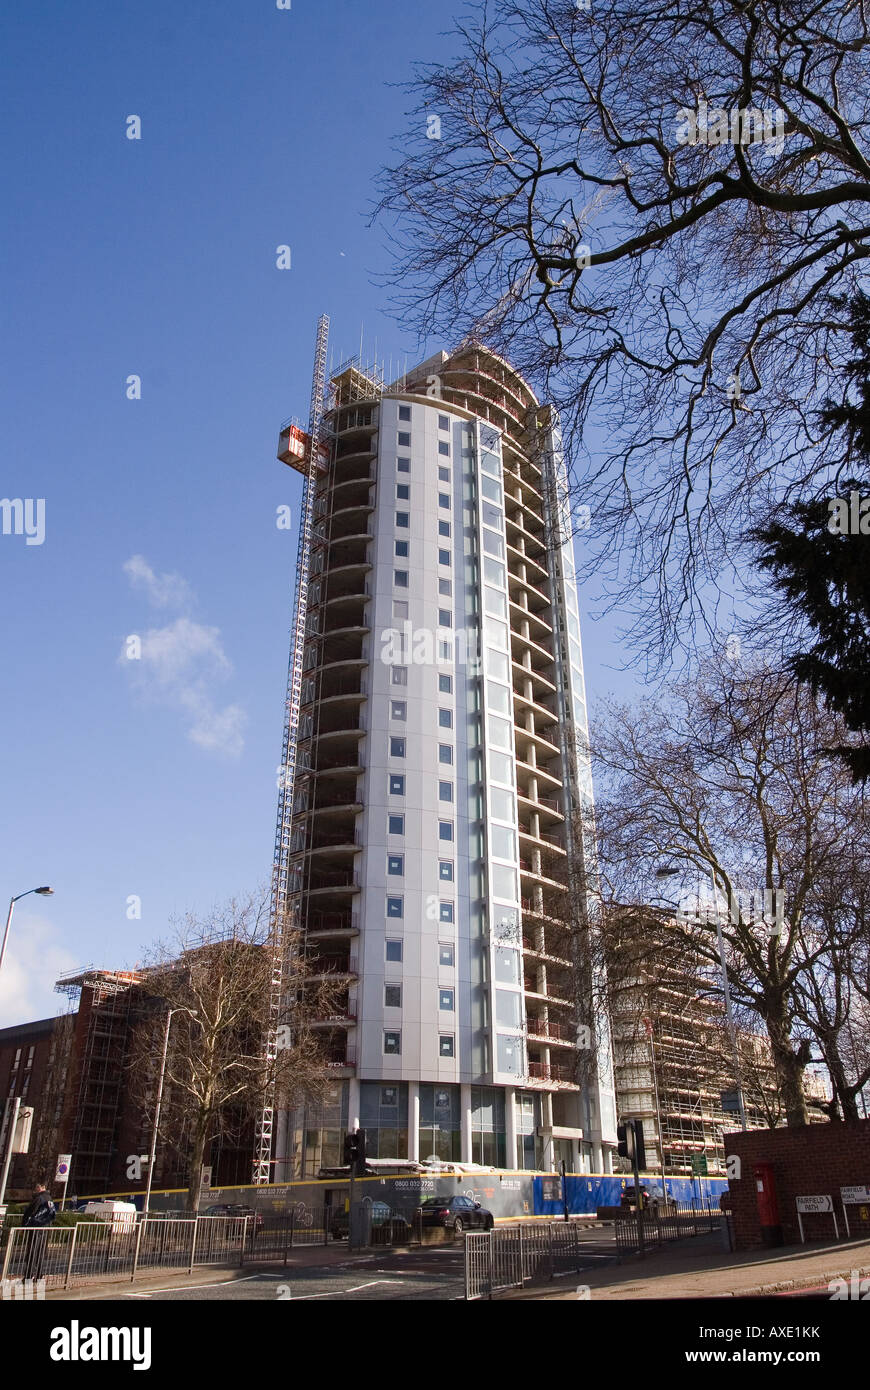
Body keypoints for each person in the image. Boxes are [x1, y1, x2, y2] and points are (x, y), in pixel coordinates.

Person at [20, 1181, 57, 1283]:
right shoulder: (49, 1199)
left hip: (36, 1228)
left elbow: (30, 1213)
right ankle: (39, 1276)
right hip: (45, 1229)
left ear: (41, 1187)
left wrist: (24, 1226)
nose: (36, 1189)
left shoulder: (39, 1198)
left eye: (37, 1187)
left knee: (32, 1252)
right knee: (40, 1253)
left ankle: (28, 1276)